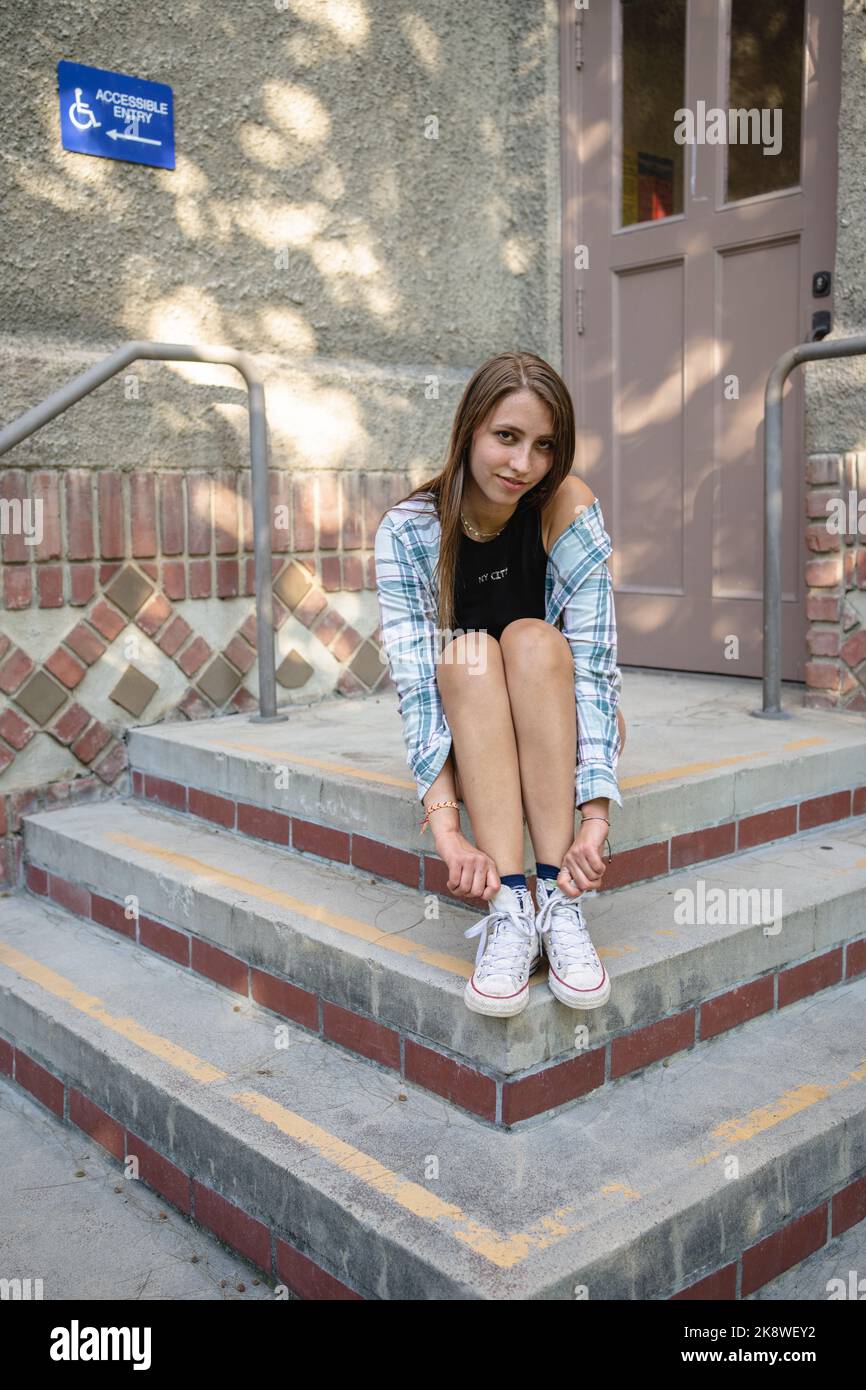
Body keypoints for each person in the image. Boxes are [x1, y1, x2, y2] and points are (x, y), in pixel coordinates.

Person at [374, 350, 626, 1019]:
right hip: (473, 725)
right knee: (467, 655)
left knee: (534, 639)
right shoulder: (409, 531)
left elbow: (596, 665)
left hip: (554, 717)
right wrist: (446, 830)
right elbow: (417, 691)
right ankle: (510, 903)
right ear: (470, 432)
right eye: (506, 438)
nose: (523, 465)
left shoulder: (563, 508)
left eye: (543, 446)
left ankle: (560, 895)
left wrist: (595, 816)